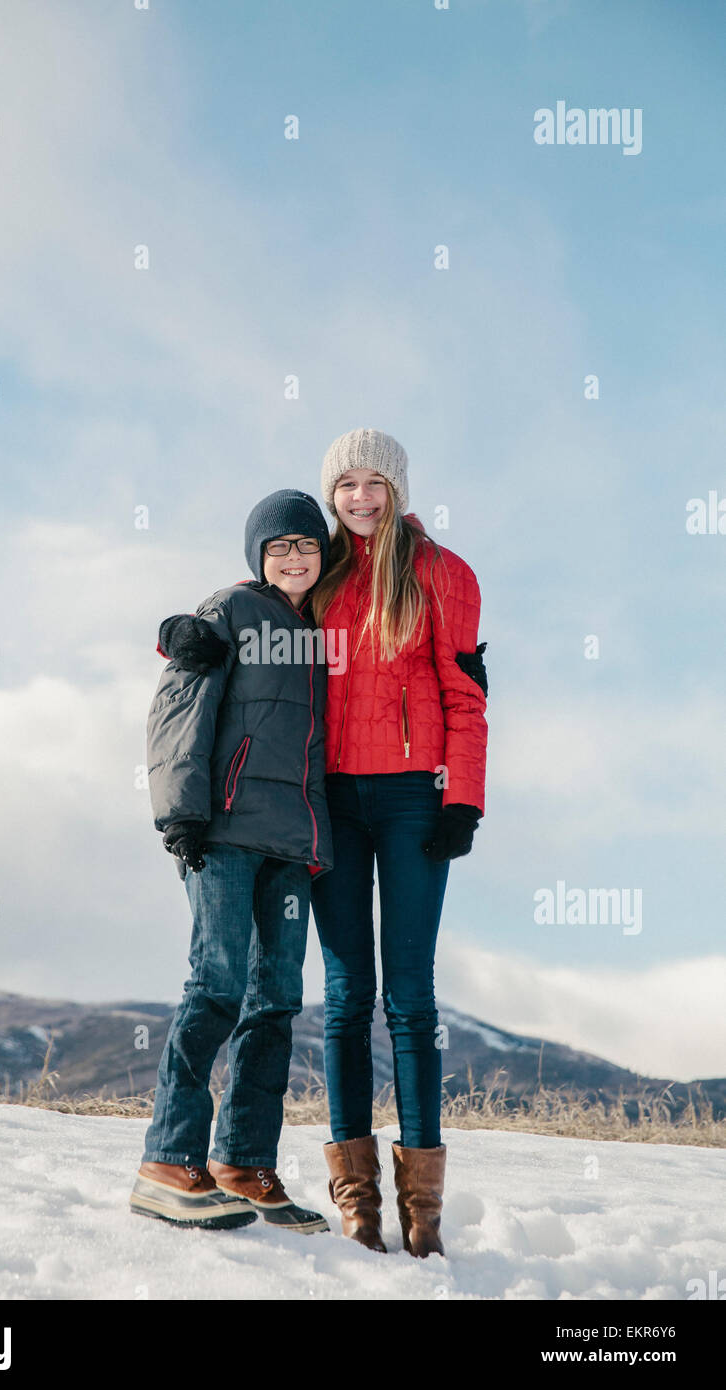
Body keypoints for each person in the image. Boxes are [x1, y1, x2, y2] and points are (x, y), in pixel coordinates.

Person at [159, 430, 488, 1259]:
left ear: (399, 488)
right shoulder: (326, 571)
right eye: (347, 484)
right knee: (343, 997)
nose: (362, 498)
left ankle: (423, 1214)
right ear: (332, 493)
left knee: (409, 998)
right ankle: (358, 1202)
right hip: (330, 803)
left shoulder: (444, 574)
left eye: (376, 482)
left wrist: (464, 797)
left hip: (415, 801)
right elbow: (258, 610)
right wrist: (183, 633)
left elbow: (466, 692)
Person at [130, 489, 334, 1235]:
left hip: (293, 842)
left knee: (275, 1000)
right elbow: (180, 701)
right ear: (258, 556)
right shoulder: (233, 611)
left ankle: (244, 1163)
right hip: (224, 830)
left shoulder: (321, 630)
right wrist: (180, 809)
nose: (293, 557)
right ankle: (167, 1159)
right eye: (278, 546)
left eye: (305, 545)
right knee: (216, 982)